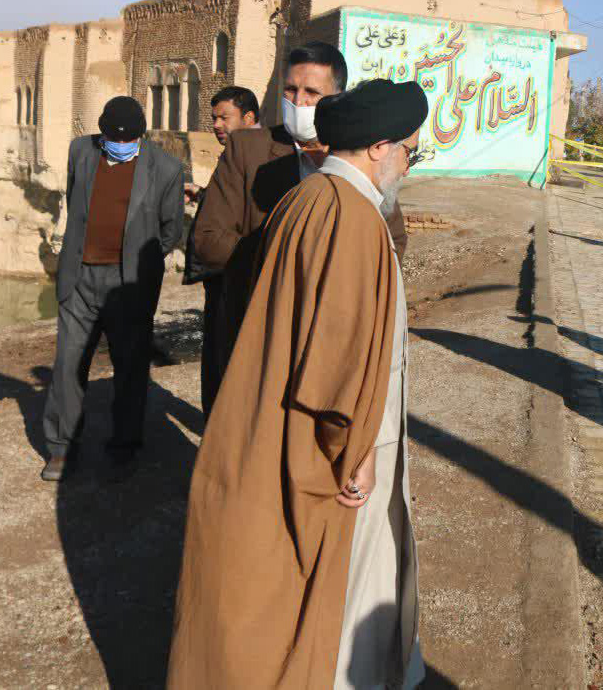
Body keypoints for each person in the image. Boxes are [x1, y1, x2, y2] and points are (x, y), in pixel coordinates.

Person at [168, 79, 427, 689]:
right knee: (338, 598)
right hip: (346, 450)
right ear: (380, 147)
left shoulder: (307, 199)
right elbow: (333, 362)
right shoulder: (351, 217)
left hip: (292, 429)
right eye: (412, 152)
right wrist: (352, 455)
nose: (409, 166)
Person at [191, 43, 407, 417]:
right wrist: (289, 263)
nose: (299, 101)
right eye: (290, 90)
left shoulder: (359, 157)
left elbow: (393, 240)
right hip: (256, 333)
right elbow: (208, 240)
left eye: (312, 93)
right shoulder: (249, 150)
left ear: (336, 98)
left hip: (329, 341)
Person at [40, 96, 185, 481]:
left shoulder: (167, 169)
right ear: (101, 133)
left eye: (130, 139)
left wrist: (138, 264)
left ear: (142, 135)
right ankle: (62, 447)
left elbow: (171, 231)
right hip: (81, 278)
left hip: (129, 284)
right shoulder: (80, 152)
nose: (121, 145)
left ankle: (124, 445)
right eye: (113, 138)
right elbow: (76, 202)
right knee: (69, 364)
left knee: (130, 367)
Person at [183, 86, 261, 415]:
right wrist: (203, 197)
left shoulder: (259, 155)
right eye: (213, 117)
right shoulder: (236, 153)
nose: (216, 124)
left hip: (237, 274)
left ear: (249, 117)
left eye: (224, 117)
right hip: (219, 275)